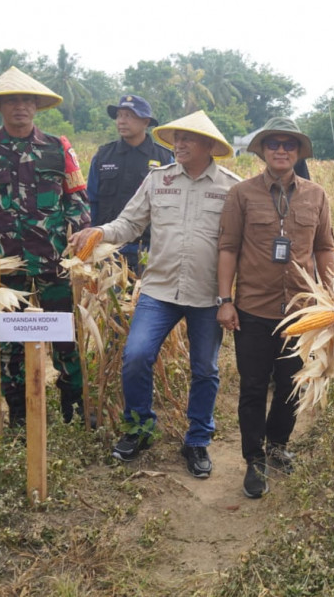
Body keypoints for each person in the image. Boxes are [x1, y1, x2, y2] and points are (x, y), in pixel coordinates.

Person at [69, 110, 240, 479]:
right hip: (159, 289)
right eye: (176, 138)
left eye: (188, 139)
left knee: (205, 369)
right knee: (136, 355)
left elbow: (240, 243)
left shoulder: (230, 187)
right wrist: (99, 231)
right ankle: (140, 428)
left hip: (206, 295)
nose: (178, 144)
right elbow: (130, 223)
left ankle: (197, 439)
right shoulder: (158, 180)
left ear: (209, 146)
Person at [0, 67, 90, 427]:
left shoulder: (57, 147)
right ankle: (18, 412)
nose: (21, 106)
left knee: (66, 334)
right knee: (8, 343)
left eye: (27, 100)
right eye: (13, 100)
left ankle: (73, 406)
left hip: (53, 260)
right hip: (3, 265)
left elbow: (77, 199)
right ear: (0, 106)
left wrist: (81, 244)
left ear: (36, 106)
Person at [217, 116, 334, 498]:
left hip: (301, 311)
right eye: (274, 144)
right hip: (253, 307)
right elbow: (228, 248)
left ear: (298, 152)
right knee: (252, 388)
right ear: (262, 151)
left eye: (289, 144)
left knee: (291, 386)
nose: (281, 150)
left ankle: (278, 444)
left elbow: (323, 248)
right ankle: (254, 459)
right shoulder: (242, 194)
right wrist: (226, 301)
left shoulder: (316, 195)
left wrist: (330, 297)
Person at [86, 94, 173, 273]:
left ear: (145, 122)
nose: (121, 121)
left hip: (149, 249)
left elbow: (173, 207)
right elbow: (91, 201)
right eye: (119, 115)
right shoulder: (103, 156)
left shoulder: (165, 158)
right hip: (107, 248)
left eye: (129, 116)